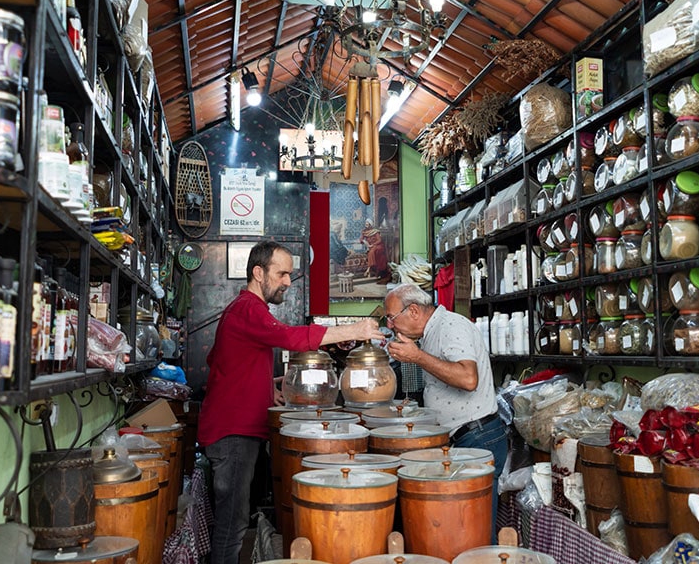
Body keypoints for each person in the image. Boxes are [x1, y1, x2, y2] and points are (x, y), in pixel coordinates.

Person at [198, 240, 384, 564]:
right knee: (232, 526)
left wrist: (264, 386)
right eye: (282, 273)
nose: (287, 281)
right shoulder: (248, 309)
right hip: (233, 435)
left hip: (232, 431)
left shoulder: (243, 311)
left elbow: (221, 362)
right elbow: (290, 337)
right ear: (259, 273)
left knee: (233, 521)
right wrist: (354, 328)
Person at [383, 283, 508, 541]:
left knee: (476, 531)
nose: (390, 325)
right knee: (460, 527)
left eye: (392, 318)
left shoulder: (451, 326)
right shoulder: (431, 332)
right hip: (463, 438)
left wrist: (417, 357)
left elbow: (467, 378)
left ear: (414, 311)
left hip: (478, 437)